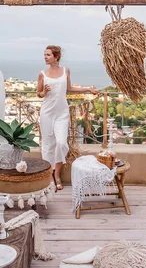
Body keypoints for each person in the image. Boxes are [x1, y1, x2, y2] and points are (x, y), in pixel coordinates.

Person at [37, 45, 98, 190]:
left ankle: (56, 173)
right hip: (47, 112)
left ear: (56, 57)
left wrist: (88, 89)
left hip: (62, 113)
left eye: (48, 55)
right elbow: (38, 93)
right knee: (47, 145)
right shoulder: (42, 74)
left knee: (61, 143)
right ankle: (50, 176)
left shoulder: (66, 71)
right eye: (44, 55)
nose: (45, 57)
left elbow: (69, 88)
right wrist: (44, 92)